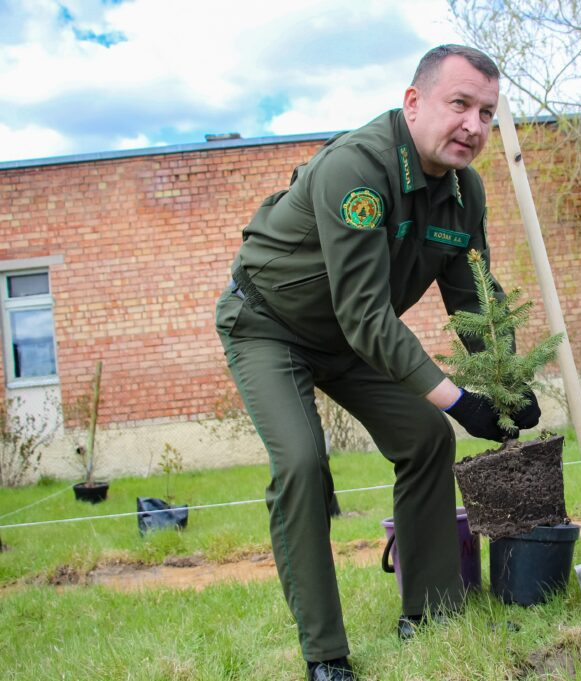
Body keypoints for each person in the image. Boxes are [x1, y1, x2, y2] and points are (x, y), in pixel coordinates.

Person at [215, 45, 540, 681]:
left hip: (349, 338)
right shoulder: (358, 170)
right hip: (268, 327)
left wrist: (508, 385)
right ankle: (326, 655)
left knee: (423, 439)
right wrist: (459, 400)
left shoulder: (463, 193)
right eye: (460, 104)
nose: (474, 126)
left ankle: (432, 611)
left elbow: (474, 294)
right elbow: (367, 313)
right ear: (413, 103)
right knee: (303, 464)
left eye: (487, 113)